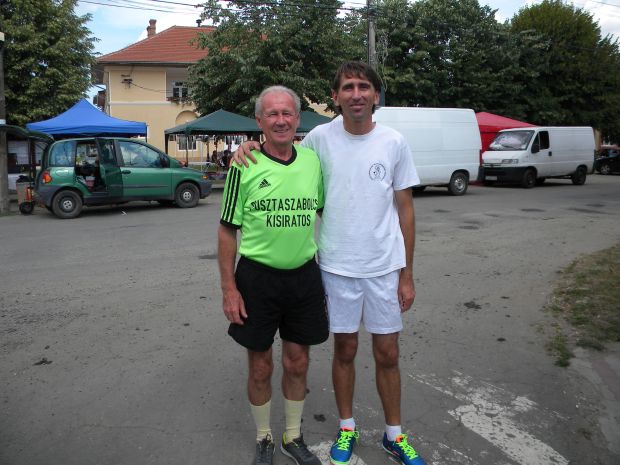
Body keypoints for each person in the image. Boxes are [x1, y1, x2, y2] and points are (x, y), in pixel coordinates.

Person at [234, 62, 426, 465]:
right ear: (335, 96)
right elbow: (281, 147)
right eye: (347, 87)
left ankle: (394, 435)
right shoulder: (320, 138)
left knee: (388, 353)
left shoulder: (394, 142)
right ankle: (346, 428)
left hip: (384, 266)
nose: (356, 94)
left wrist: (407, 274)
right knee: (345, 350)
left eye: (364, 87)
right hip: (336, 266)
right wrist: (247, 145)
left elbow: (406, 211)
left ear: (376, 95)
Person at [218, 85, 328, 465]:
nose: (280, 120)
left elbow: (326, 213)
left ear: (297, 118)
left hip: (304, 278)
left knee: (298, 362)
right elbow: (227, 230)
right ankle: (264, 437)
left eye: (287, 113)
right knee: (260, 366)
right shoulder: (243, 165)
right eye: (272, 114)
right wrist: (229, 288)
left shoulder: (313, 162)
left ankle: (292, 436)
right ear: (259, 121)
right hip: (257, 279)